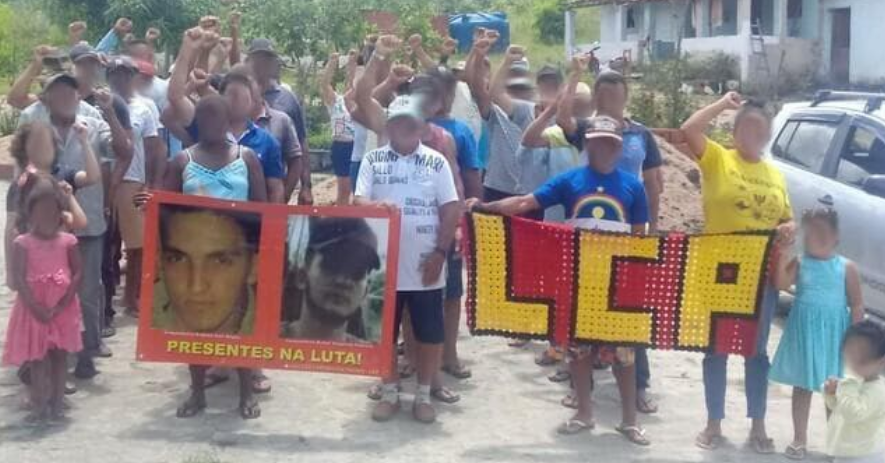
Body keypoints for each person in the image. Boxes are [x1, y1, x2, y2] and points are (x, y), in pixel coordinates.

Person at [466, 115, 651, 446]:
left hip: (617, 286)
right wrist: (484, 206)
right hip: (578, 281)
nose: (603, 148)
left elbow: (640, 239)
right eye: (597, 141)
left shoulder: (633, 187)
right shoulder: (570, 180)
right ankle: (583, 412)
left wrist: (635, 284)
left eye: (610, 142)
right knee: (577, 352)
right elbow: (525, 202)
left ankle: (629, 421)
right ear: (588, 144)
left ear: (618, 146)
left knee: (625, 357)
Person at [680, 92, 796, 453]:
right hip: (720, 273)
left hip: (760, 277)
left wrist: (790, 228)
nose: (753, 134)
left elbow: (786, 218)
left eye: (760, 129)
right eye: (746, 126)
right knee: (716, 349)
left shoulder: (775, 175)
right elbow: (688, 129)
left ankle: (758, 425)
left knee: (757, 352)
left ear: (768, 135)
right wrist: (721, 105)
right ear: (735, 131)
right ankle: (714, 423)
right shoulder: (718, 159)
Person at [147, 94, 267, 419]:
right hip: (194, 256)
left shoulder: (248, 158)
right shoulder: (182, 161)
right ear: (196, 122)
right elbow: (163, 207)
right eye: (205, 118)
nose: (211, 124)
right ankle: (197, 393)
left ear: (229, 120)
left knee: (241, 323)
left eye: (218, 117)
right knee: (195, 328)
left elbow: (263, 210)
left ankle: (245, 393)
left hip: (234, 258)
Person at [557, 64, 665, 414]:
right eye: (604, 96)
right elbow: (562, 116)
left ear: (625, 97)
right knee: (581, 313)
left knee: (629, 314)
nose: (610, 101)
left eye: (616, 95)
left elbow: (653, 184)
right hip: (589, 231)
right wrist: (573, 76)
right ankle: (580, 386)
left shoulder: (641, 135)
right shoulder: (587, 130)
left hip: (627, 230)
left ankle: (639, 387)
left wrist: (651, 231)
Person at [354, 93, 461, 424]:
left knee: (429, 334)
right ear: (389, 126)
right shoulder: (373, 161)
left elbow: (451, 209)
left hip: (425, 265)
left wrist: (441, 253)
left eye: (410, 122)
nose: (404, 128)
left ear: (421, 127)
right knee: (383, 334)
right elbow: (357, 201)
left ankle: (424, 395)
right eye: (398, 122)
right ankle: (389, 392)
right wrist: (376, 207)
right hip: (382, 266)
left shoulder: (436, 161)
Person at [18, 72, 132, 381]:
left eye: (72, 92)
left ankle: (87, 353)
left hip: (88, 221)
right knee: (43, 291)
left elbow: (124, 152)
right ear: (47, 98)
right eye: (60, 92)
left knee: (88, 291)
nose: (68, 97)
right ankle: (42, 356)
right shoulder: (34, 123)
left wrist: (110, 111)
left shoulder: (93, 122)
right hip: (43, 231)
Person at [770, 200, 865, 460]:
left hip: (835, 338)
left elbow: (857, 304)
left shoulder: (847, 267)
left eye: (823, 235)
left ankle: (836, 442)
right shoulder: (801, 262)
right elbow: (779, 283)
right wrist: (783, 254)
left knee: (833, 392)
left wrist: (856, 342)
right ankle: (799, 438)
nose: (817, 240)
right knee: (802, 388)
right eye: (811, 235)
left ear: (836, 238)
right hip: (804, 336)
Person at [166, 29, 285, 203]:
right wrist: (187, 49)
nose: (236, 101)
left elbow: (274, 191)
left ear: (254, 101)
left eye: (242, 96)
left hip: (240, 229)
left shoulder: (266, 143)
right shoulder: (205, 128)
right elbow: (175, 98)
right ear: (221, 99)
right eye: (231, 95)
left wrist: (273, 226)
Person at [2, 175, 83, 424]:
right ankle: (40, 406)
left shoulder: (68, 241)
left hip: (63, 309)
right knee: (37, 359)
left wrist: (62, 304)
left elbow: (78, 272)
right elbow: (19, 278)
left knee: (60, 358)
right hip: (32, 310)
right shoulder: (22, 243)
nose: (46, 217)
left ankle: (57, 404)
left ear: (61, 214)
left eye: (52, 211)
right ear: (29, 215)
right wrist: (36, 307)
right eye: (40, 211)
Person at [106, 55, 165, 318]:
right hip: (103, 178)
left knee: (137, 245)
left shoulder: (145, 106)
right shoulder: (99, 102)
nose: (120, 78)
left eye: (125, 74)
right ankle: (105, 297)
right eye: (115, 74)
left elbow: (155, 148)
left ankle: (132, 297)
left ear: (133, 77)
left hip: (133, 180)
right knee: (105, 242)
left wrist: (152, 184)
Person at [153, 205, 260, 335]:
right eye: (177, 259)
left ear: (253, 267)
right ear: (160, 261)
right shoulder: (145, 318)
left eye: (221, 261)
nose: (196, 287)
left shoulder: (279, 333)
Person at [281, 217, 382, 342]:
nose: (344, 281)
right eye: (333, 264)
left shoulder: (371, 358)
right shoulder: (264, 343)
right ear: (301, 276)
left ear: (365, 292)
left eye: (357, 271)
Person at [246, 38, 312, 204]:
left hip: (273, 191)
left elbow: (301, 146)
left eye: (267, 59)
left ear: (273, 63)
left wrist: (305, 186)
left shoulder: (287, 98)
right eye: (257, 59)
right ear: (248, 62)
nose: (261, 64)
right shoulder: (237, 94)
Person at [824, 321, 885, 463]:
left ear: (881, 362)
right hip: (846, 450)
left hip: (865, 454)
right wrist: (831, 394)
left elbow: (854, 414)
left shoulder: (878, 390)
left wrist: (847, 386)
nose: (852, 366)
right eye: (849, 358)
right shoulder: (857, 382)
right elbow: (839, 409)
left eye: (861, 362)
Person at [320, 51, 358, 205]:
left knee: (356, 188)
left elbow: (353, 83)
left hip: (356, 146)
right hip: (341, 146)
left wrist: (352, 63)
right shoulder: (335, 101)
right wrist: (332, 62)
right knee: (343, 190)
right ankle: (341, 219)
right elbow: (324, 84)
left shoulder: (356, 102)